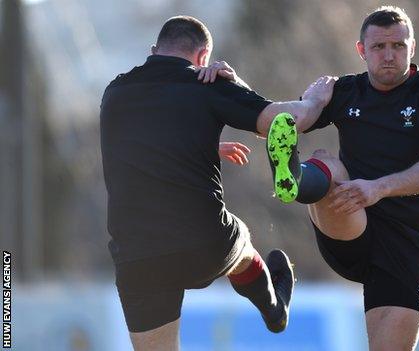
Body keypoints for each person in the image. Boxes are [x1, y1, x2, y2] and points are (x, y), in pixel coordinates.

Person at [100, 15, 335, 351]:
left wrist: (203, 144)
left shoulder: (115, 92)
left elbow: (138, 144)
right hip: (205, 243)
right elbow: (281, 122)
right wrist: (314, 100)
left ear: (154, 51)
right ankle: (275, 310)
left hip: (137, 256)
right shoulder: (205, 84)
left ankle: (273, 308)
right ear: (203, 57)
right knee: (242, 244)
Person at [264, 6, 419, 350]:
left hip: (408, 242)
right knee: (331, 169)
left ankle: (304, 177)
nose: (389, 56)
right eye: (378, 47)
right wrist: (310, 102)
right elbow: (275, 121)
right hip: (349, 225)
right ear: (361, 50)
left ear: (412, 48)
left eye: (398, 46)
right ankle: (296, 180)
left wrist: (377, 188)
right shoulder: (345, 91)